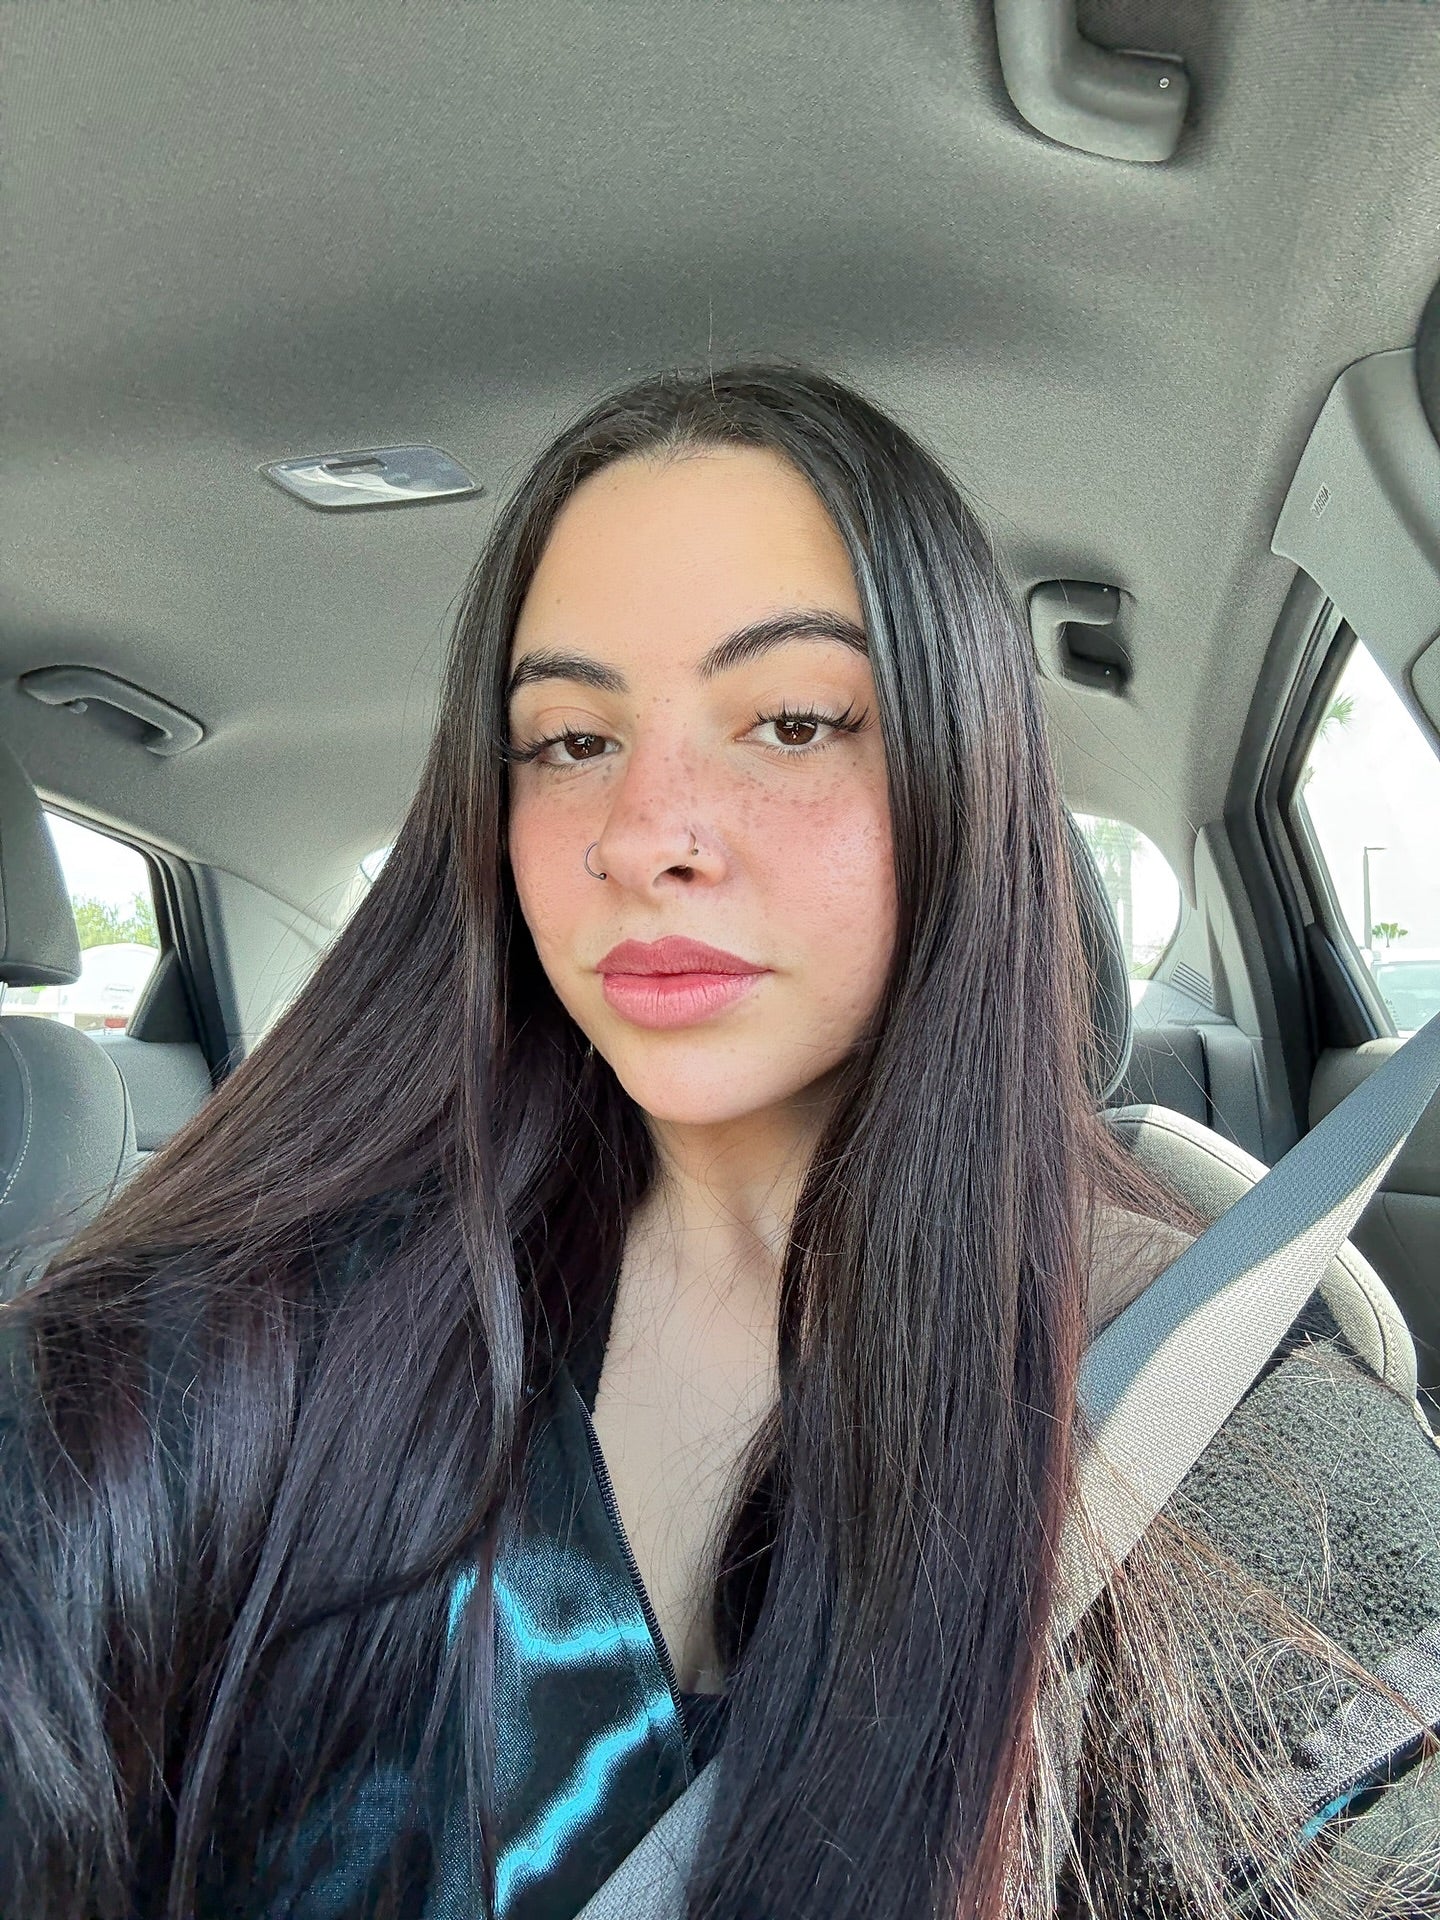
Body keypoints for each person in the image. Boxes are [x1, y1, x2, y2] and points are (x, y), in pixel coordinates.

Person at [1, 363, 1437, 1920]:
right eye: (570, 739)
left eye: (794, 721)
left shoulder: (1230, 1414)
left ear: (964, 781)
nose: (642, 834)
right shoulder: (261, 1333)